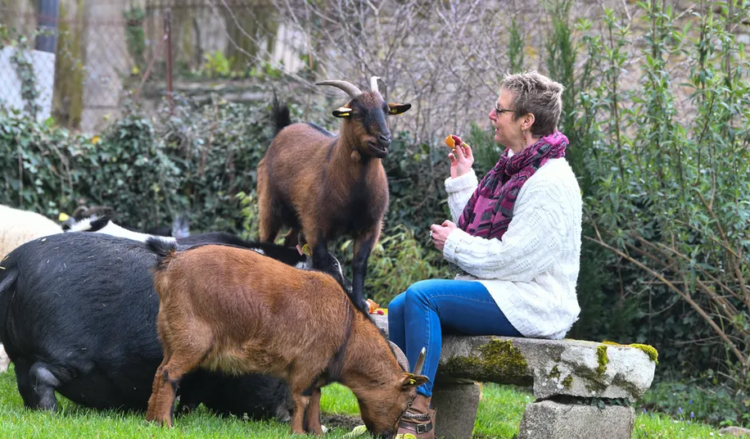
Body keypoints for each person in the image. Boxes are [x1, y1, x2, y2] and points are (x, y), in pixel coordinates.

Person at [388, 72, 582, 439]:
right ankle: (397, 405)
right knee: (400, 306)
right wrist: (464, 179)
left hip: (534, 301)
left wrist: (455, 244)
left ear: (526, 121)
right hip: (504, 289)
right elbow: (480, 232)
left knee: (422, 297)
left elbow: (515, 260)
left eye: (500, 109)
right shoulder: (512, 167)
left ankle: (417, 417)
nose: (492, 116)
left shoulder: (550, 181)